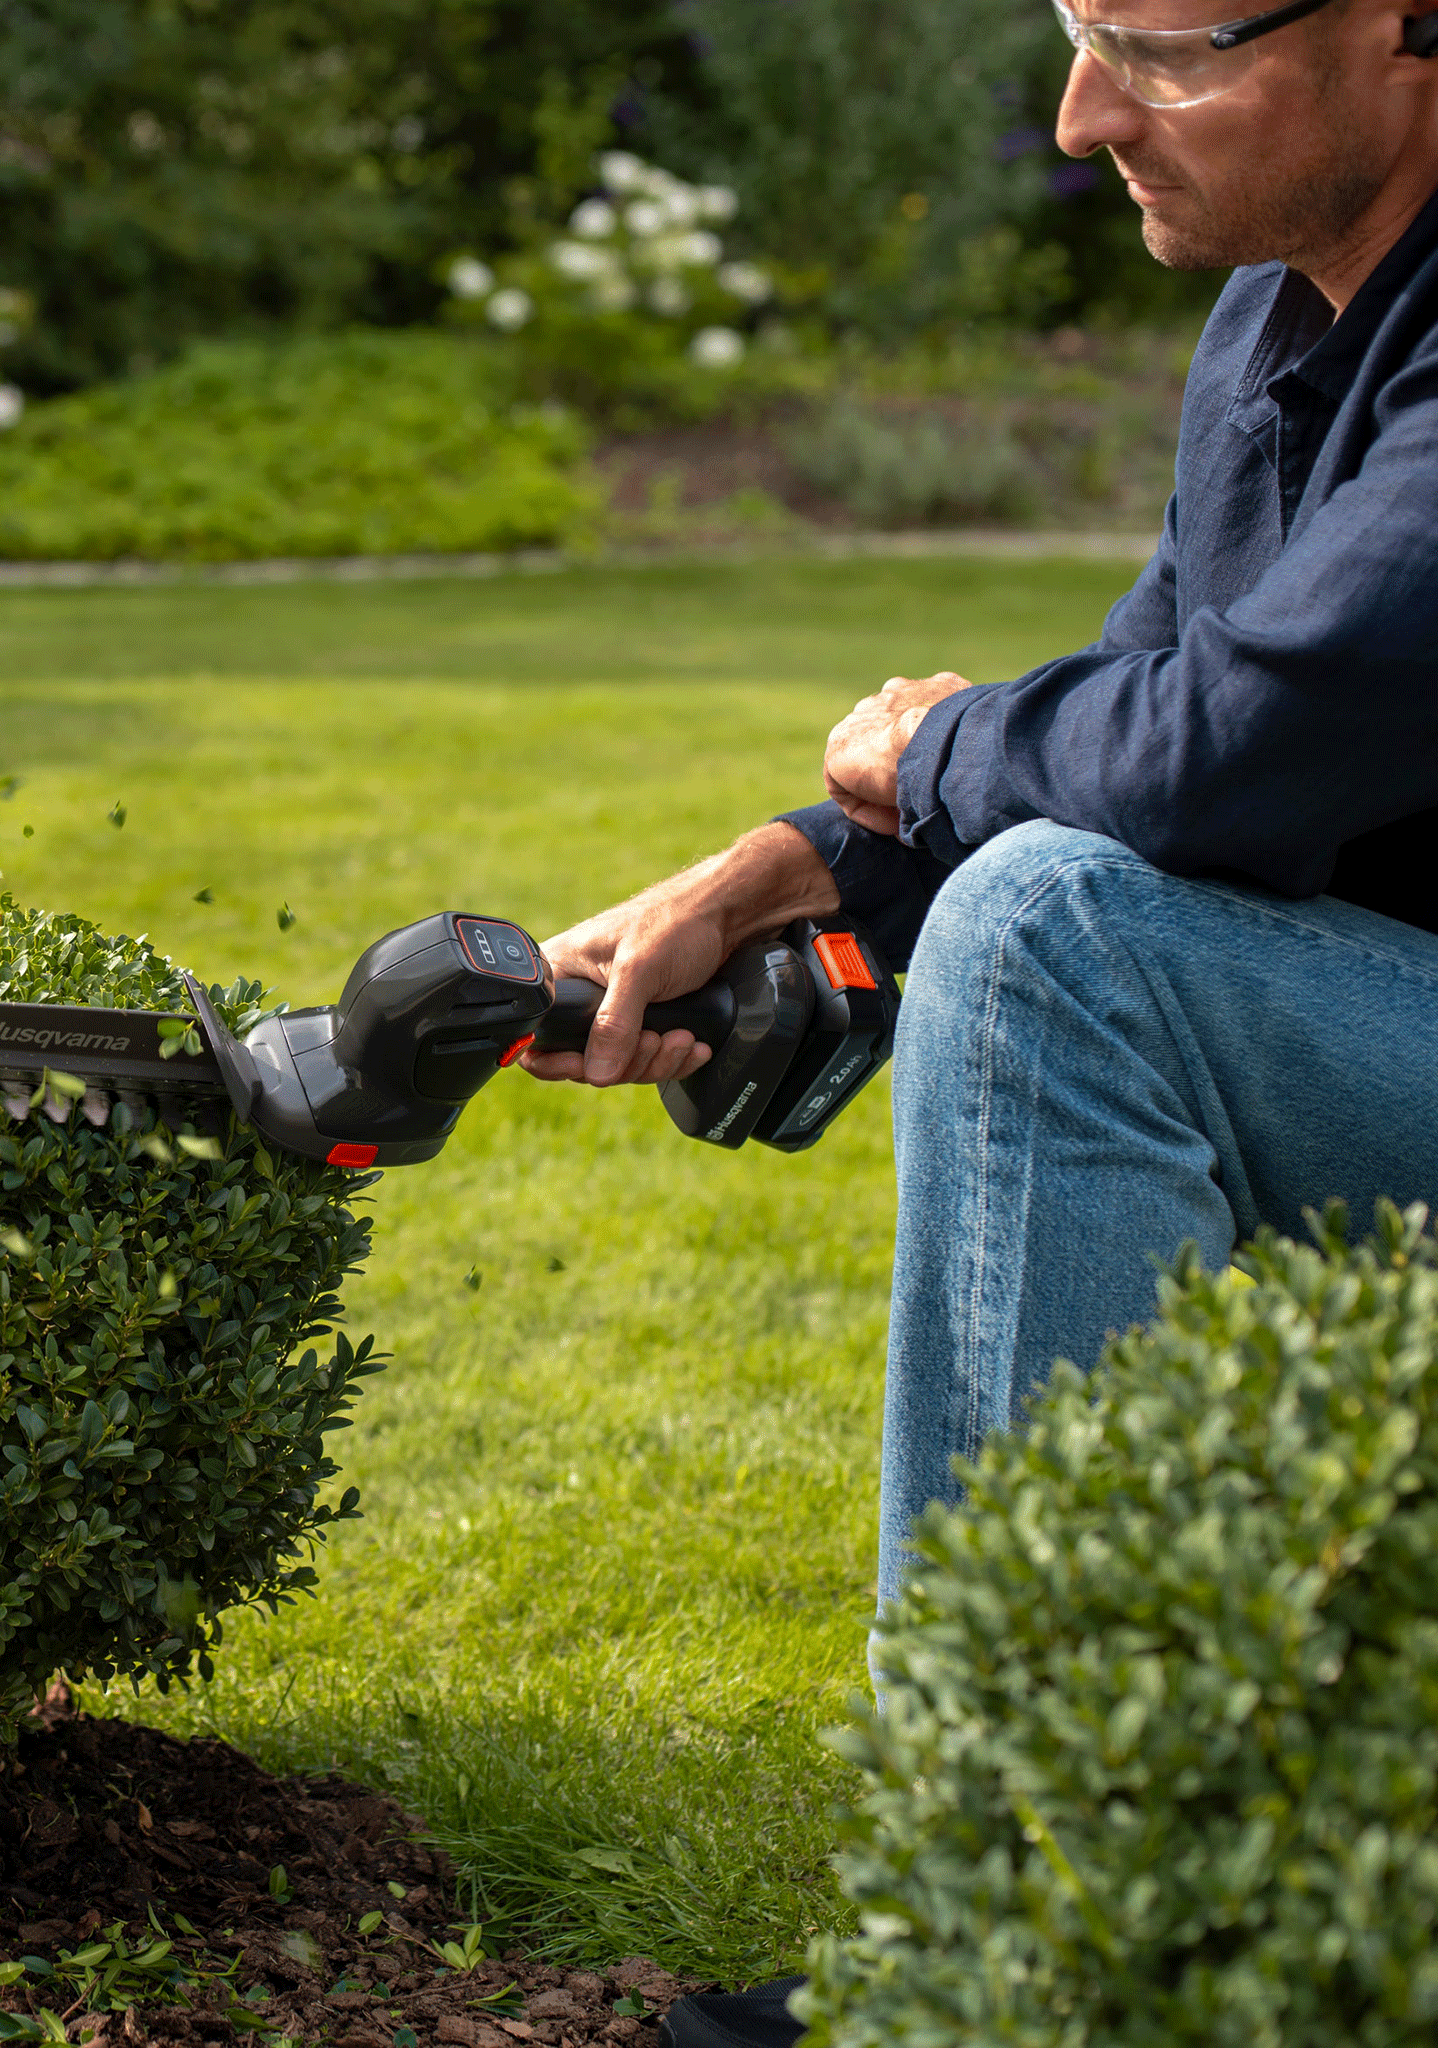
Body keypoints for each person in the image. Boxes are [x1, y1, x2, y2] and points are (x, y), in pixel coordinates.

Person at [518, 2, 1438, 2041]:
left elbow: (1224, 755)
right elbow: (1144, 697)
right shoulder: (1292, 311)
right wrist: (780, 874)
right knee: (1039, 894)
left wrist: (941, 766)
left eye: (1157, 48)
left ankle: (1005, 1947)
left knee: (1053, 934)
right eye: (1071, 32)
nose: (1077, 115)